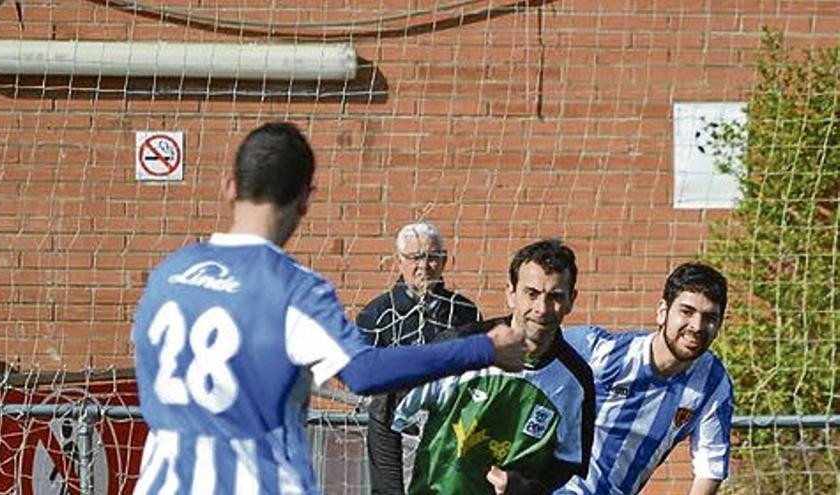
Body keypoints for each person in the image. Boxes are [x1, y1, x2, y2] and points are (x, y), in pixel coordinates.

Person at [129, 122, 526, 494]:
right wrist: (483, 348)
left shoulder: (169, 274)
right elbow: (363, 372)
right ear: (305, 199)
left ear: (230, 187)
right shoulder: (293, 289)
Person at [392, 239, 595, 495]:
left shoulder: (575, 381)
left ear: (570, 301)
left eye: (555, 296)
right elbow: (384, 412)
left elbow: (570, 466)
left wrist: (527, 489)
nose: (542, 309)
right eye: (531, 294)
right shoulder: (460, 350)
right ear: (511, 293)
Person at [552, 262, 734, 495]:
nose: (697, 326)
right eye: (687, 312)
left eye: (709, 317)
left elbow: (710, 467)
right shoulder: (601, 351)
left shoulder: (714, 384)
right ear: (662, 312)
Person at [357, 222, 481, 495]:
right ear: (399, 261)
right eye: (414, 258)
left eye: (431, 257)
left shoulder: (465, 313)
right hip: (394, 431)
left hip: (451, 430)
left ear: (444, 261)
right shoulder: (377, 315)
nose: (423, 266)